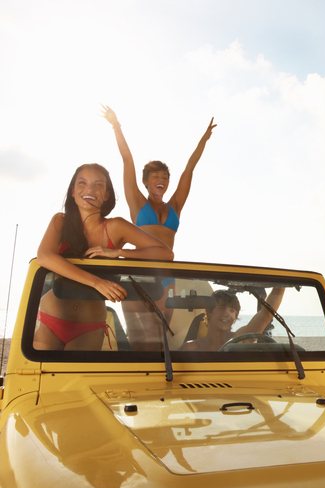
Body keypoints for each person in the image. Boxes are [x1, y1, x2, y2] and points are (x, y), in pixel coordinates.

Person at [34, 163, 174, 351]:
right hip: (49, 318)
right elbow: (44, 256)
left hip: (88, 327)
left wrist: (119, 252)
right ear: (73, 191)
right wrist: (97, 282)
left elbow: (166, 253)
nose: (89, 189)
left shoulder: (116, 227)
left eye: (98, 184)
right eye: (82, 183)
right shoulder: (60, 221)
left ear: (106, 195)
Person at [100, 105, 216, 250]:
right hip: (141, 270)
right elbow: (127, 160)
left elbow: (189, 169)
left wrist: (203, 140)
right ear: (145, 182)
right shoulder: (137, 202)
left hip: (167, 271)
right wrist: (116, 125)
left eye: (165, 177)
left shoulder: (175, 206)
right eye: (156, 176)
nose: (161, 179)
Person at [180, 288, 285, 351]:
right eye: (221, 307)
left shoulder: (239, 341)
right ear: (209, 312)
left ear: (235, 317)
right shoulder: (190, 348)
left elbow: (265, 314)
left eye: (232, 310)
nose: (226, 314)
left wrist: (280, 286)